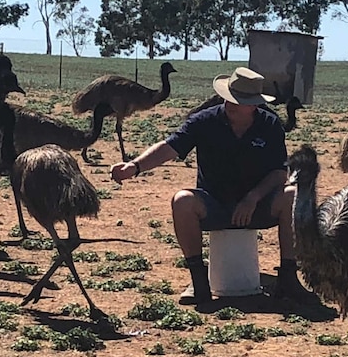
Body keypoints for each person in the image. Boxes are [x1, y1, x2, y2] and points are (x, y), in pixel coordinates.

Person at [111, 67, 315, 306]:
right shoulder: (206, 120)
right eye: (229, 98)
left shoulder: (269, 124)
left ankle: (288, 279)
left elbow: (280, 172)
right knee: (182, 201)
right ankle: (199, 282)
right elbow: (169, 147)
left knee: (293, 194)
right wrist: (134, 166)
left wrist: (253, 198)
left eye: (238, 101)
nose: (230, 104)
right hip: (214, 204)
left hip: (258, 206)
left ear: (253, 105)